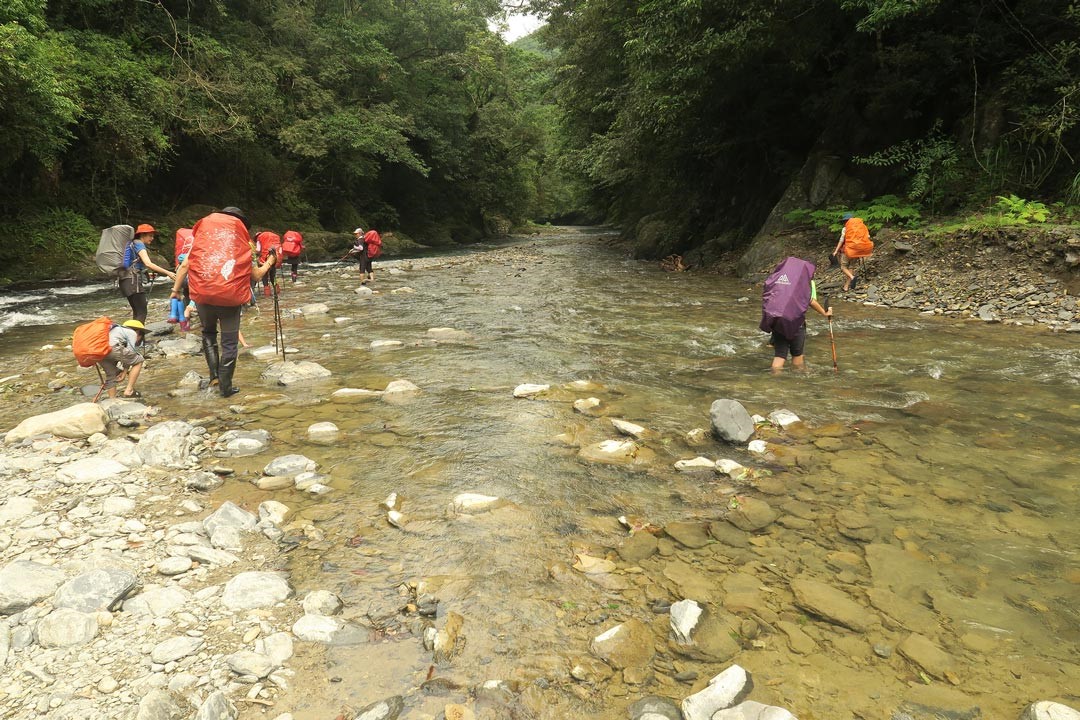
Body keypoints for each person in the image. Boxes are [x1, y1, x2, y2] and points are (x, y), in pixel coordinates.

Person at [169, 207, 277, 397]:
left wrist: (175, 291)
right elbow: (256, 275)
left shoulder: (202, 239)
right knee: (229, 342)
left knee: (208, 333)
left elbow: (185, 264)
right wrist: (270, 261)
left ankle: (214, 377)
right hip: (229, 296)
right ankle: (226, 388)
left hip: (203, 294)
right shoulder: (244, 244)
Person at [760, 257, 833, 372]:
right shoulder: (806, 282)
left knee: (779, 356)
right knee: (797, 356)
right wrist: (825, 313)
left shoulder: (781, 278)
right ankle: (797, 381)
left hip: (777, 321)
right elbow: (811, 301)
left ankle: (774, 381)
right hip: (796, 324)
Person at [118, 224, 176, 324]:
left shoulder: (132, 243)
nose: (152, 238)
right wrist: (168, 273)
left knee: (136, 311)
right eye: (150, 235)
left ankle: (135, 336)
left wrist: (147, 274)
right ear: (142, 235)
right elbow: (148, 263)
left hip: (124, 279)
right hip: (133, 280)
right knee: (142, 312)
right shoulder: (139, 244)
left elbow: (135, 264)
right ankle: (139, 338)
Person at [99, 319, 146, 399]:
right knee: (139, 361)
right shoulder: (132, 333)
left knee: (111, 375)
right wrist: (124, 372)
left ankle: (112, 400)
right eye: (141, 336)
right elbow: (130, 352)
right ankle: (129, 390)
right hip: (113, 348)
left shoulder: (114, 330)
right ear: (138, 332)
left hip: (99, 351)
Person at [832, 213, 874, 292]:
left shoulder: (845, 228)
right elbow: (867, 237)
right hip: (857, 251)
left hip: (847, 251)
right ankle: (846, 287)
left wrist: (836, 251)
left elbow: (841, 240)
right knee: (851, 267)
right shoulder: (862, 227)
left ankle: (852, 277)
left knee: (843, 267)